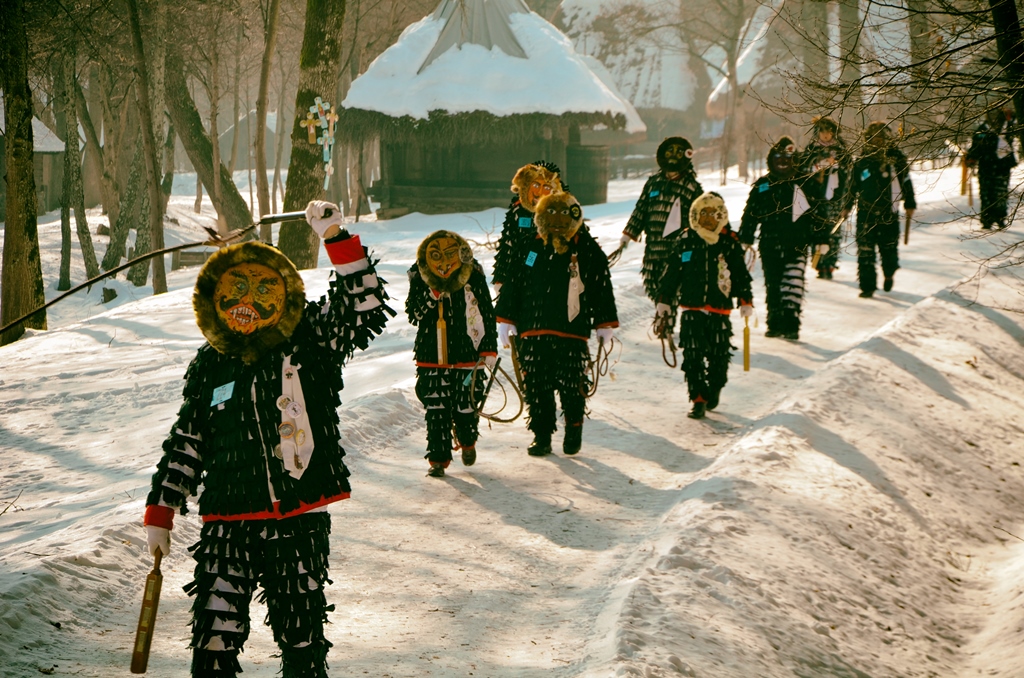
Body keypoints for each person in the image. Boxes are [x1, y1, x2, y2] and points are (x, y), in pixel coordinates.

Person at [142, 201, 391, 678]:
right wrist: (162, 509)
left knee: (300, 637)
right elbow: (188, 440)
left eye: (262, 289)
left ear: (283, 293)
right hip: (226, 523)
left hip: (296, 520)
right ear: (214, 300)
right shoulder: (210, 363)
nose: (249, 302)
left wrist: (334, 235)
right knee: (215, 638)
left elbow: (363, 307)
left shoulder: (310, 339)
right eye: (237, 290)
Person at [494, 191, 618, 456]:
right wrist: (507, 320)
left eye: (563, 215)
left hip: (572, 329)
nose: (557, 222)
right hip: (533, 326)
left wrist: (604, 322)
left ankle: (574, 427)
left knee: (572, 383)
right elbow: (514, 283)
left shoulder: (585, 247)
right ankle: (542, 435)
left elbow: (600, 286)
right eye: (551, 215)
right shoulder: (529, 247)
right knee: (537, 385)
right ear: (541, 218)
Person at [406, 230, 498, 478]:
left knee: (466, 404)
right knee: (436, 406)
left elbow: (486, 312)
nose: (444, 263)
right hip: (431, 354)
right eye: (437, 256)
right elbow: (413, 314)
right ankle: (438, 458)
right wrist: (432, 294)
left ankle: (467, 441)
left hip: (468, 350)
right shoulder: (419, 275)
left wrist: (489, 347)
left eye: (450, 255)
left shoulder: (473, 274)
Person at [656, 192, 753, 419]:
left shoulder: (729, 241)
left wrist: (745, 300)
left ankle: (716, 386)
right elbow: (672, 273)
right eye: (703, 214)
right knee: (692, 354)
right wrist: (664, 299)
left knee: (719, 353)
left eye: (713, 214)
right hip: (691, 307)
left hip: (719, 308)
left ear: (721, 215)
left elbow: (740, 274)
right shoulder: (686, 240)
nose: (708, 219)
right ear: (695, 215)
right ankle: (698, 398)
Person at [738, 136, 821, 340]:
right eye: (778, 157)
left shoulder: (806, 182)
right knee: (773, 286)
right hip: (770, 245)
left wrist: (822, 239)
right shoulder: (763, 185)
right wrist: (746, 237)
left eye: (787, 157)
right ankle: (774, 323)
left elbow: (819, 215)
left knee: (792, 286)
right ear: (771, 159)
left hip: (798, 245)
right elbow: (751, 214)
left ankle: (791, 325)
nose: (783, 161)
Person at [621, 136, 705, 303]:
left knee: (671, 287)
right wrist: (629, 234)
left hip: (677, 249)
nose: (673, 155)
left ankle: (666, 322)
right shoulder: (653, 183)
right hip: (653, 247)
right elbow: (641, 210)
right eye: (670, 151)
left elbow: (698, 220)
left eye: (679, 152)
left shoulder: (692, 188)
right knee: (653, 284)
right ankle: (661, 317)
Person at [845, 121, 916, 298]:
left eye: (881, 137)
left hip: (888, 212)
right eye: (874, 137)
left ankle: (889, 272)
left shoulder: (896, 158)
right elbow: (852, 186)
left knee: (889, 249)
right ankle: (867, 286)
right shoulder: (862, 160)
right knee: (865, 251)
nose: (878, 141)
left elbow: (906, 181)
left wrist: (910, 203)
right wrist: (846, 206)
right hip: (865, 212)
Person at [491, 161, 565, 293]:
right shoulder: (518, 212)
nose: (540, 192)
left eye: (547, 188)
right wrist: (501, 277)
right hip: (519, 275)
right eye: (536, 185)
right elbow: (508, 243)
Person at [800, 116, 851, 279]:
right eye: (822, 131)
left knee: (833, 231)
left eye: (829, 131)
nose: (825, 135)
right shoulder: (811, 149)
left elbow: (849, 170)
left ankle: (829, 264)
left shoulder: (842, 149)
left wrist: (836, 163)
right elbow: (803, 169)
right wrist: (819, 165)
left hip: (836, 196)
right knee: (817, 229)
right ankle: (818, 263)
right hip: (816, 197)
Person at [966, 107, 1017, 230]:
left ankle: (1000, 218)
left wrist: (1011, 116)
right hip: (986, 168)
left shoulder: (1006, 128)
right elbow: (975, 147)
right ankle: (987, 220)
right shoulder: (982, 130)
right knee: (986, 194)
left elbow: (1017, 123)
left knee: (1000, 193)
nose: (994, 118)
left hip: (1002, 168)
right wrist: (971, 158)